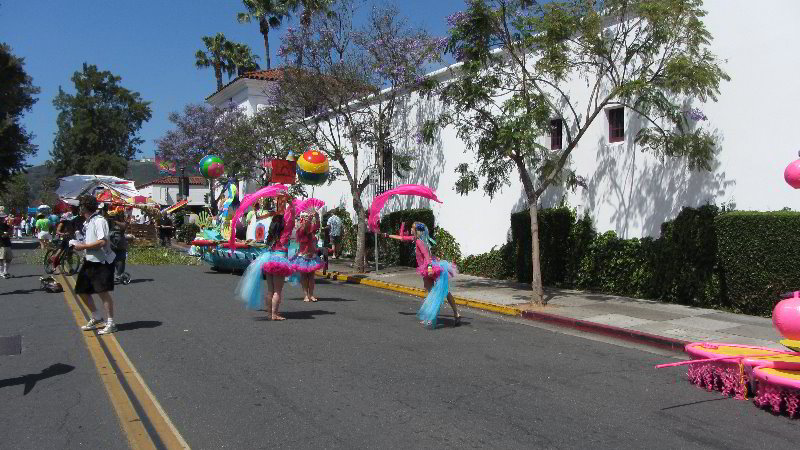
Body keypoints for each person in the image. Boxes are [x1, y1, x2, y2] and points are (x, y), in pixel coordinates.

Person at [383, 222, 462, 328]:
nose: (411, 229)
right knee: (440, 291)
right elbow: (402, 238)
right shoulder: (417, 239)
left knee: (435, 293)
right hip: (428, 268)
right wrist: (388, 235)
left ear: (416, 230)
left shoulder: (419, 241)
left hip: (430, 268)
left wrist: (429, 268)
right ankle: (455, 314)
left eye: (412, 228)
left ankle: (432, 317)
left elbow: (426, 255)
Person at [237, 193, 295, 320]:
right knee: (277, 290)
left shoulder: (273, 229)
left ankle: (270, 313)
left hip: (269, 258)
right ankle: (274, 314)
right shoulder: (286, 229)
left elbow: (264, 217)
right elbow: (291, 216)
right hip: (280, 259)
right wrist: (290, 202)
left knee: (270, 289)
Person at [71, 195, 118, 335]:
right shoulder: (88, 221)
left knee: (102, 292)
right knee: (81, 290)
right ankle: (97, 317)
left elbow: (102, 241)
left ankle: (111, 323)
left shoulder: (99, 221)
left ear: (85, 207)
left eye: (80, 205)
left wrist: (83, 246)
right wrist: (80, 243)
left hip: (101, 262)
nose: (79, 208)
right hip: (90, 260)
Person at [291, 210, 324, 302]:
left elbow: (317, 226)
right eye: (304, 219)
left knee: (311, 277)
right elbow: (304, 228)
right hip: (303, 257)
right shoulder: (300, 231)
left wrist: (317, 217)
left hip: (312, 256)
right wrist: (309, 219)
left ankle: (311, 294)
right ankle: (306, 295)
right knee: (304, 277)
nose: (306, 221)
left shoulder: (311, 231)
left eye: (307, 219)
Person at [107, 209, 129, 282]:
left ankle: (119, 275)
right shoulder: (108, 222)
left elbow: (124, 226)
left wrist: (115, 221)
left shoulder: (123, 222)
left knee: (120, 261)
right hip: (111, 245)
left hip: (120, 245)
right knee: (110, 261)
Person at [0, 213, 13, 278]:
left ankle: (5, 272)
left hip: (7, 243)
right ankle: (1, 272)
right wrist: (7, 233)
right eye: (2, 217)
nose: (4, 219)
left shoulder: (5, 225)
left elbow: (11, 233)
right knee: (1, 258)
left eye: (4, 217)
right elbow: (3, 236)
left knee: (9, 258)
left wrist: (10, 227)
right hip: (1, 244)